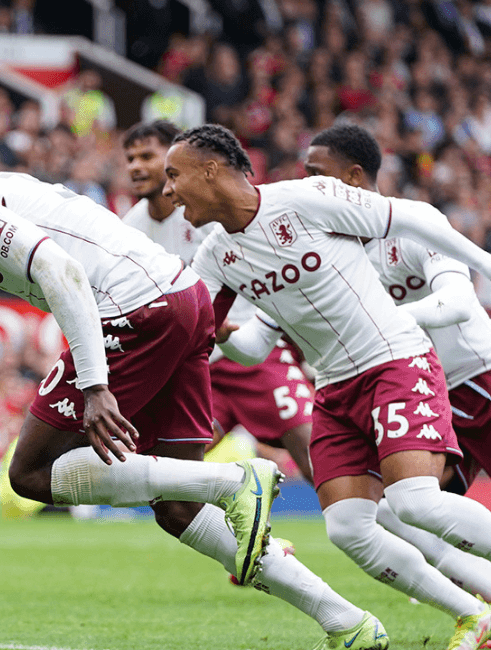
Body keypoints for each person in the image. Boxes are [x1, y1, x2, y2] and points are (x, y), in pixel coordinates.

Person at [0, 130, 387, 650]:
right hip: (180, 299)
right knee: (178, 507)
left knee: (28, 472)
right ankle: (347, 622)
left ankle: (234, 480)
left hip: (136, 311)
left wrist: (94, 384)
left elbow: (58, 267)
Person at [170, 123, 491, 650]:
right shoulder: (215, 256)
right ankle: (472, 614)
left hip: (395, 362)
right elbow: (239, 344)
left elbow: (416, 215)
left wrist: (484, 264)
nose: (168, 190)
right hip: (335, 390)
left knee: (415, 503)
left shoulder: (304, 199)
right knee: (348, 528)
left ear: (211, 170)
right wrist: (222, 335)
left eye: (174, 175)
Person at [300, 123, 491, 602]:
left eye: (317, 175)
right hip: (417, 388)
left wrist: (382, 320)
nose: (306, 187)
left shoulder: (411, 225)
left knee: (414, 507)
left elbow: (460, 301)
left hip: (476, 379)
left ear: (356, 178)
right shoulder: (331, 251)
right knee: (392, 509)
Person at [122, 119, 314, 483]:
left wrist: (270, 329)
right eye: (129, 158)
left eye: (146, 156)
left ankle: (373, 529)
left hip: (251, 353)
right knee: (171, 471)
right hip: (197, 368)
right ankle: (242, 532)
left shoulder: (207, 212)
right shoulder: (129, 231)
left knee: (310, 447)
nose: (135, 166)